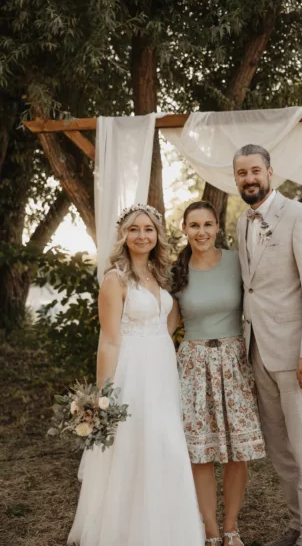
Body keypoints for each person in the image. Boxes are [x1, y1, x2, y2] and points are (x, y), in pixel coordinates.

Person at [68, 204, 204, 546]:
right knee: (134, 446)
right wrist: (103, 395)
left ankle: (168, 528)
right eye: (134, 229)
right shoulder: (115, 280)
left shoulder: (161, 276)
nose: (141, 235)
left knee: (166, 444)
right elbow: (110, 341)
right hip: (133, 371)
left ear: (157, 235)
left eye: (148, 229)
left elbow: (169, 319)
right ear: (124, 236)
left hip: (162, 367)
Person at [233, 145, 302, 546]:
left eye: (255, 171)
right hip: (258, 350)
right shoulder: (242, 223)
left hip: (296, 355)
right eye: (241, 174)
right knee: (280, 447)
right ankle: (297, 523)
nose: (249, 179)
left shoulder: (299, 217)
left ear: (271, 172)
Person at [172, 201, 266, 546]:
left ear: (217, 228)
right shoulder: (175, 272)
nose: (202, 232)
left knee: (237, 450)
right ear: (184, 229)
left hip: (234, 362)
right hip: (193, 366)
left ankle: (231, 528)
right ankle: (210, 531)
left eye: (208, 225)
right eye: (194, 225)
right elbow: (168, 325)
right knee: (201, 451)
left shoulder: (235, 262)